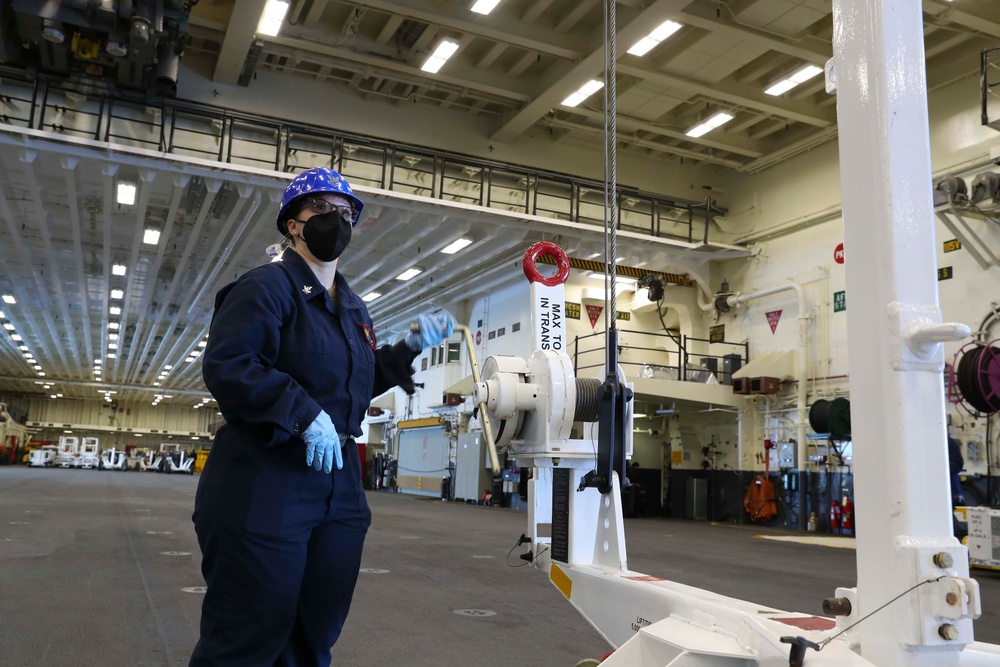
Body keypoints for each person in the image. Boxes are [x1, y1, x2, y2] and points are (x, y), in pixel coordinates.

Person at [190, 166, 455, 666]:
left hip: (337, 490)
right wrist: (302, 413)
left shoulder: (354, 308)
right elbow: (231, 365)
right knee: (249, 633)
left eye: (346, 212)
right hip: (264, 481)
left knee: (315, 632)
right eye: (322, 210)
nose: (336, 220)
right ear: (293, 223)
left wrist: (408, 348)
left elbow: (353, 384)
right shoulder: (265, 287)